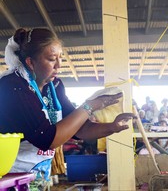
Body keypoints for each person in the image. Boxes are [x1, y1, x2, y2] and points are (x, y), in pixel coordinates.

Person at [0, 28, 135, 188]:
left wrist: (112, 127)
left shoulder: (55, 86)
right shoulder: (14, 86)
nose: (59, 65)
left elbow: (80, 129)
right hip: (8, 175)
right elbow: (47, 139)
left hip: (34, 176)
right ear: (30, 62)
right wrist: (89, 106)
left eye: (60, 58)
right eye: (51, 59)